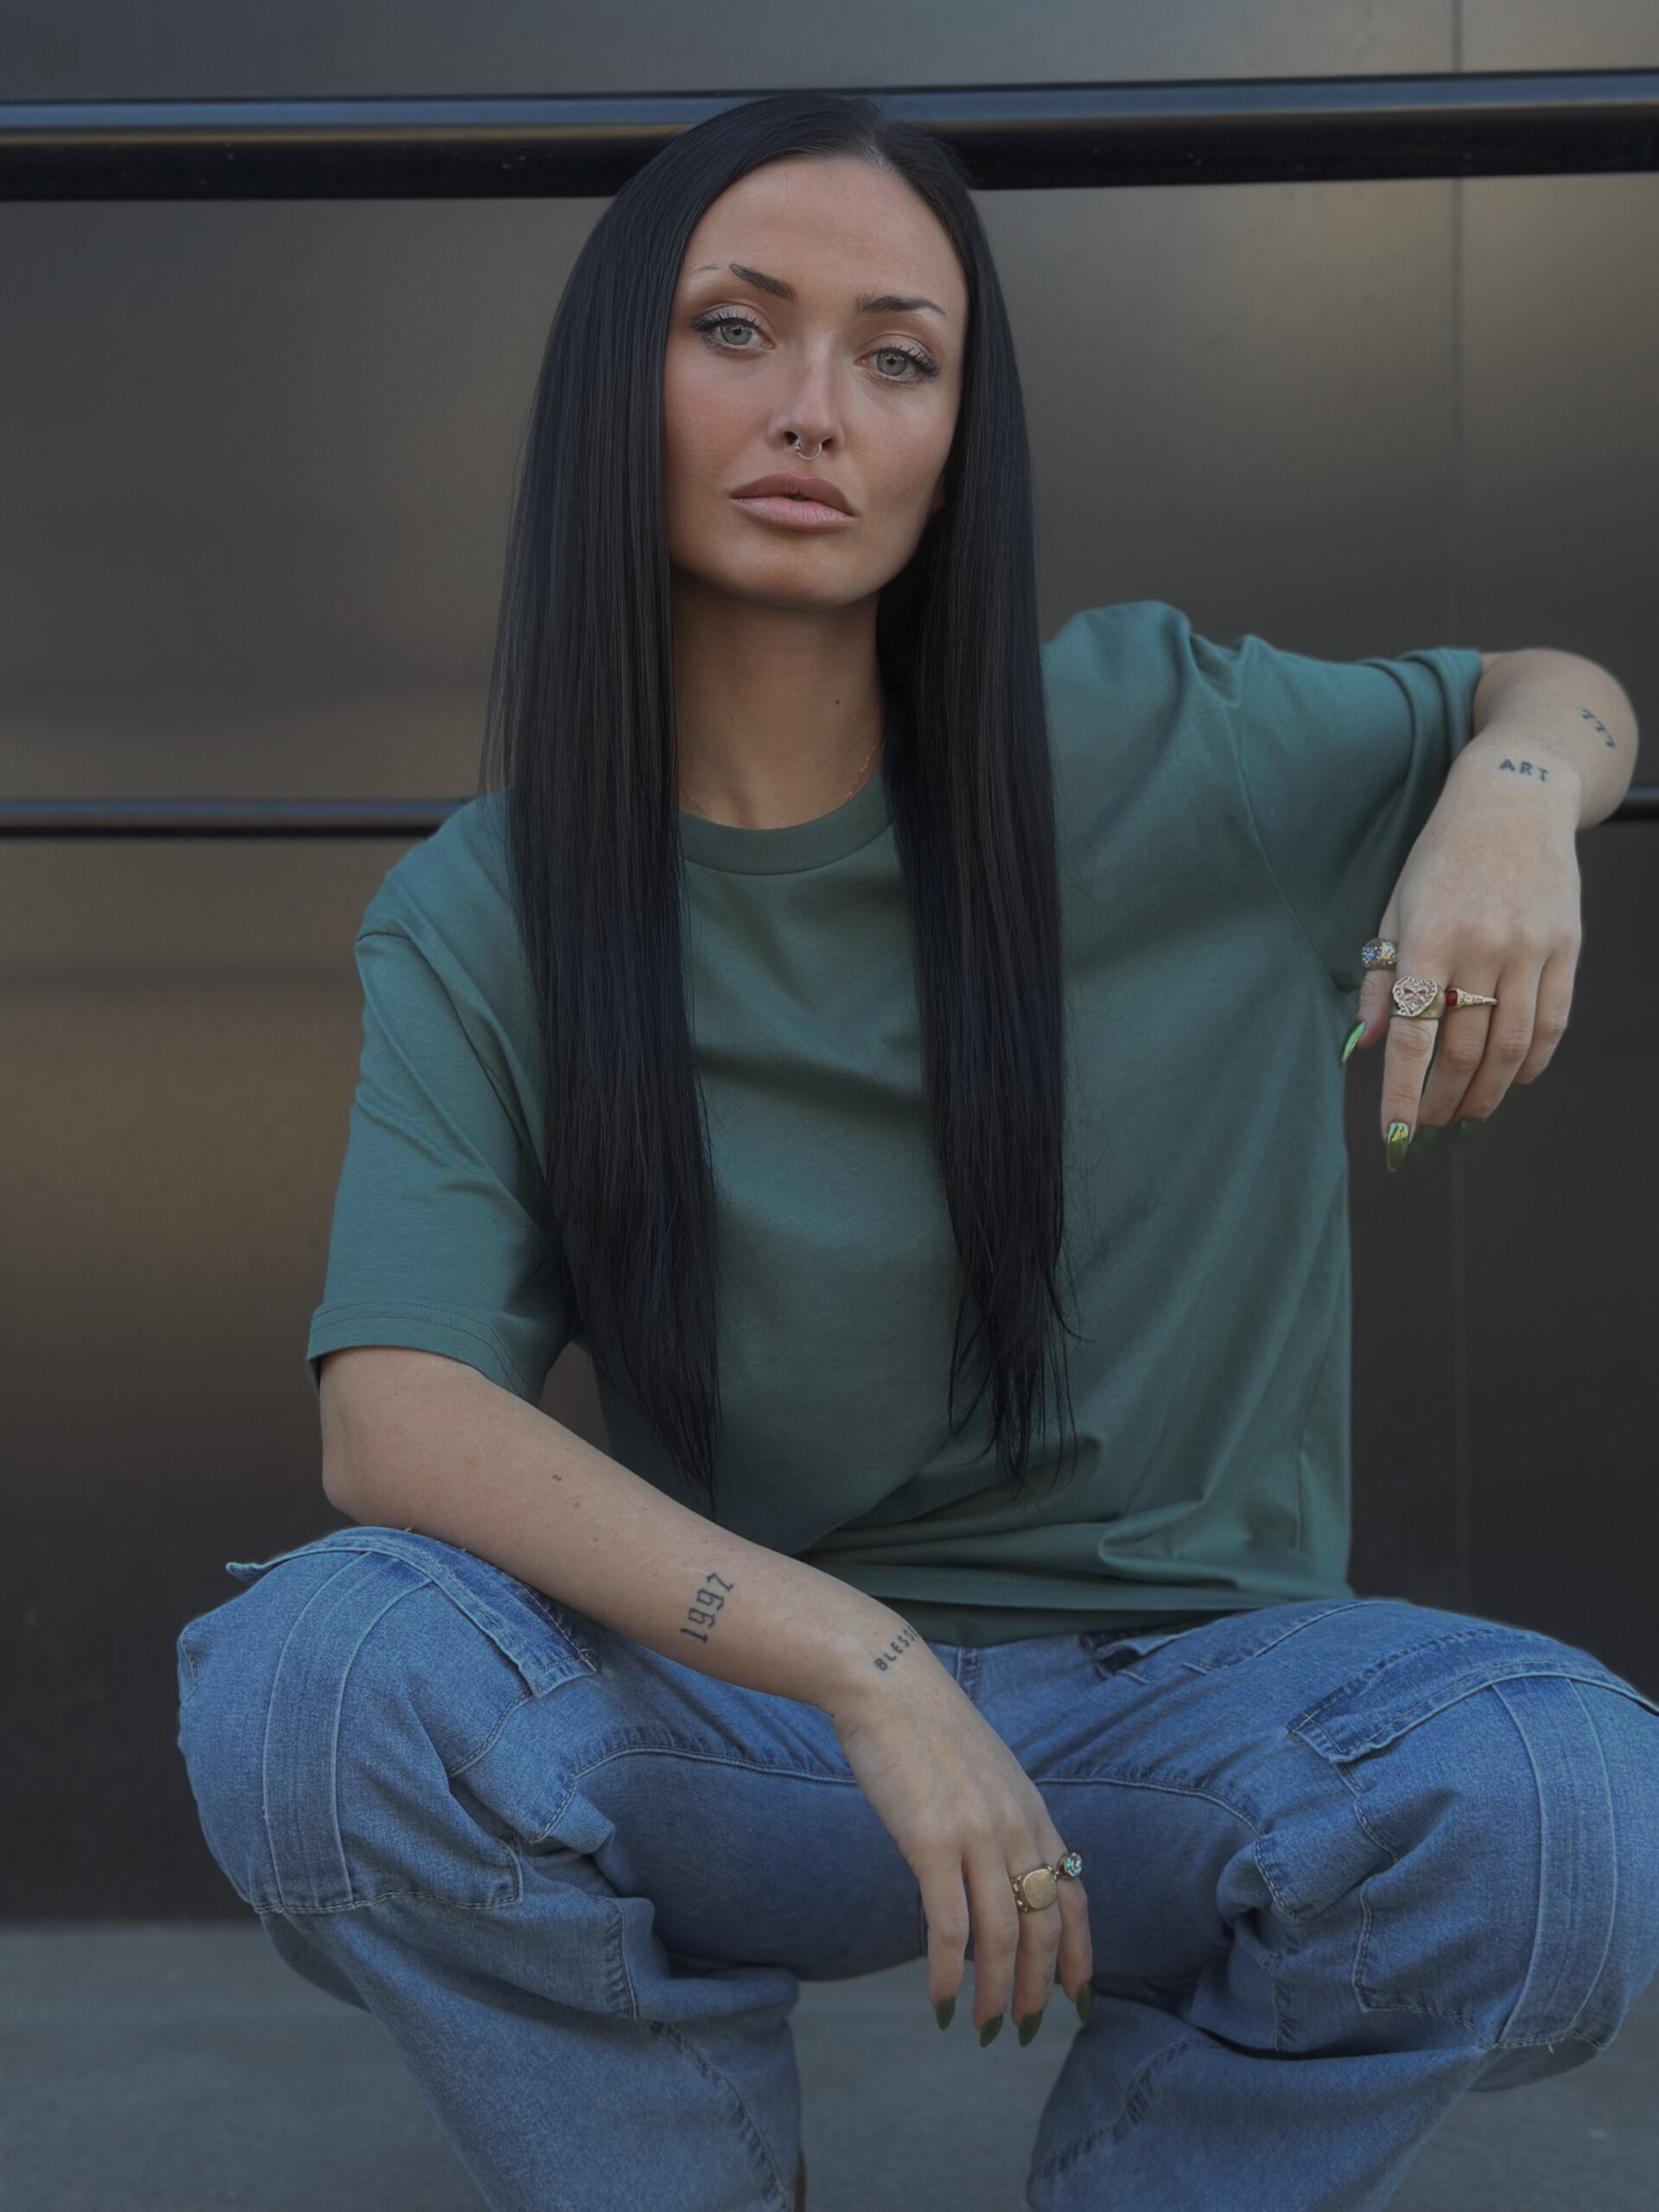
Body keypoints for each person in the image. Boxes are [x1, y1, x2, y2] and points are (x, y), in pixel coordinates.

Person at [175, 88, 1659, 2212]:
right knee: (316, 1680)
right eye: (736, 328)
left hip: (1194, 1722)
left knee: (1562, 1792)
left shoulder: (1164, 743)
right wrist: (856, 1657)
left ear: (959, 443)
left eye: (897, 355)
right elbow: (393, 1410)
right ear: (615, 388)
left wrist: (1513, 796)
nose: (815, 408)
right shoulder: (492, 901)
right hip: (758, 1720)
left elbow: (1562, 684)